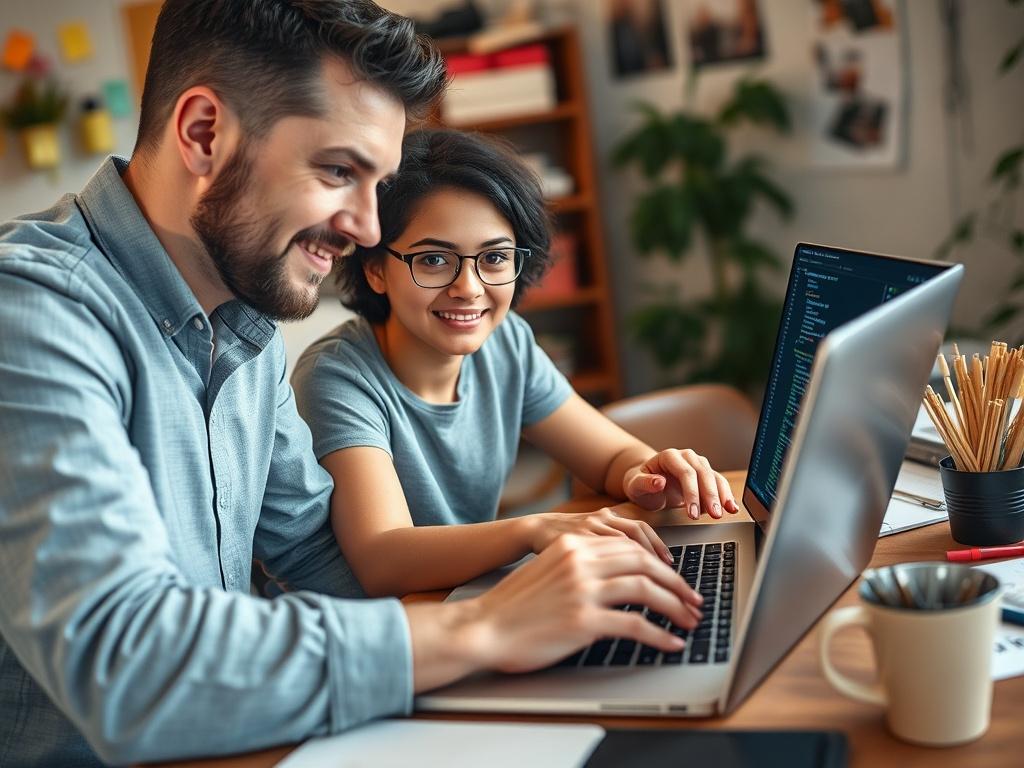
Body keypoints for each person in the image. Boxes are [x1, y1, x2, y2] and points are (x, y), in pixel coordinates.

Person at [0, 2, 703, 765]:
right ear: (203, 133)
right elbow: (126, 666)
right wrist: (486, 626)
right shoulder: (32, 312)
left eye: (381, 183)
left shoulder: (245, 328)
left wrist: (536, 628)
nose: (369, 230)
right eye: (339, 171)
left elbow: (313, 554)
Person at [291, 128, 739, 599]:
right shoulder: (337, 378)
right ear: (375, 269)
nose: (468, 287)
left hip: (461, 602)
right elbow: (384, 559)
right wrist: (531, 531)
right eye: (434, 259)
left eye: (495, 257)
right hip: (372, 637)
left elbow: (610, 458)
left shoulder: (506, 344)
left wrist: (644, 474)